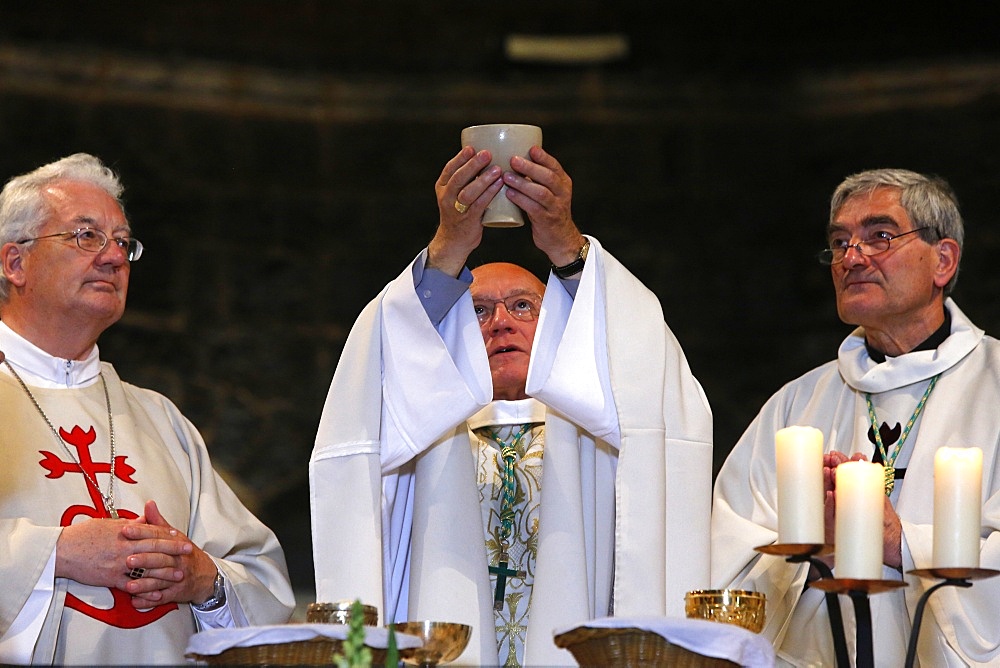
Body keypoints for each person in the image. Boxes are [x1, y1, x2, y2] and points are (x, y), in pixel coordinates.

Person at [310, 142, 713, 665]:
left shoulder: (600, 422)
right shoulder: (418, 421)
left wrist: (567, 246)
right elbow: (371, 382)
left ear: (564, 326)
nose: (501, 321)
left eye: (523, 306)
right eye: (476, 311)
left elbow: (649, 381)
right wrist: (448, 249)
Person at [0, 153, 295, 665]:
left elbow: (262, 580)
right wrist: (57, 554)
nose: (113, 257)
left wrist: (203, 579)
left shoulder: (159, 418)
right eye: (85, 236)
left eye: (122, 242)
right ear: (14, 262)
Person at [711, 168, 1000, 666]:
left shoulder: (993, 384)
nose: (851, 258)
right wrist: (809, 550)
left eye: (879, 237)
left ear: (943, 260)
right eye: (840, 243)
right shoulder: (796, 404)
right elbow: (727, 556)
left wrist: (898, 542)